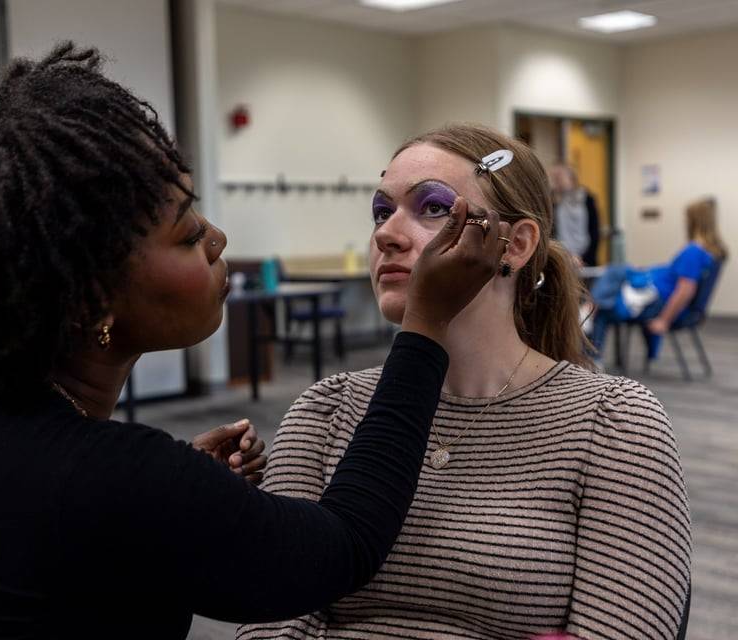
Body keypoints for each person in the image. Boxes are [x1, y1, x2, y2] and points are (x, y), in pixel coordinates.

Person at [0, 45, 509, 639]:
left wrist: (171, 502)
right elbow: (342, 547)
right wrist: (426, 325)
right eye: (189, 236)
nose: (219, 240)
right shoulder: (117, 479)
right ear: (90, 300)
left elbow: (57, 528)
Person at [239, 124, 691, 640]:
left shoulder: (614, 422)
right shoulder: (324, 411)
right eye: (381, 212)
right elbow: (271, 622)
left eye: (432, 207)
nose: (386, 233)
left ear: (515, 245)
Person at [589, 197, 728, 359]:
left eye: (687, 219)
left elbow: (685, 290)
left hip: (657, 300)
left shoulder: (694, 251)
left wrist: (664, 320)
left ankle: (593, 358)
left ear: (695, 221)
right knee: (616, 273)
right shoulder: (710, 251)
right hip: (655, 292)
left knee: (604, 305)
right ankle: (592, 306)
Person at [549, 163, 600, 266]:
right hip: (561, 256)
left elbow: (594, 230)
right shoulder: (552, 200)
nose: (556, 182)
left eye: (559, 177)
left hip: (585, 256)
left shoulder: (586, 198)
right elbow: (550, 232)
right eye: (554, 178)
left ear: (571, 178)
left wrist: (584, 257)